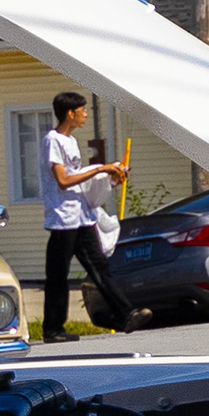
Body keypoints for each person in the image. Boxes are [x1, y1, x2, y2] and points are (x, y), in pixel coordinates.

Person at [37, 90, 130, 335]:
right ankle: (52, 328)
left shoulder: (72, 141)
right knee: (58, 275)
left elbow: (79, 179)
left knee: (99, 266)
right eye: (82, 110)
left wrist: (107, 176)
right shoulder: (53, 140)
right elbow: (63, 180)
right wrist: (101, 168)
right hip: (63, 218)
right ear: (70, 113)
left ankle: (125, 315)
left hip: (82, 216)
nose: (86, 115)